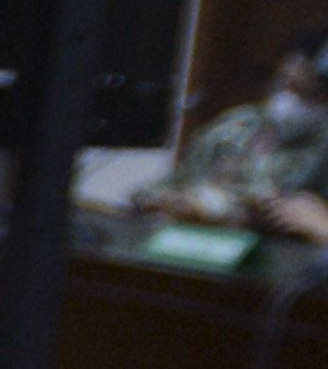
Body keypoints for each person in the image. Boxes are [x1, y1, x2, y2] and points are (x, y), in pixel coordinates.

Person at [138, 28, 328, 243]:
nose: (290, 100)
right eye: (286, 84)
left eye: (311, 92)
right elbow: (166, 190)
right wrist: (175, 203)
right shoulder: (239, 124)